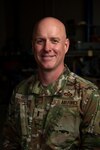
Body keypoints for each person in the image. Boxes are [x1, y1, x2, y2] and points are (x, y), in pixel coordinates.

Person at [3, 17, 100, 150]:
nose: (47, 48)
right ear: (33, 46)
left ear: (66, 46)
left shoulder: (88, 95)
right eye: (40, 41)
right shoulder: (20, 92)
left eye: (54, 41)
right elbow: (9, 142)